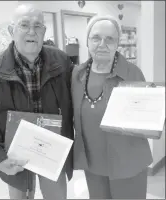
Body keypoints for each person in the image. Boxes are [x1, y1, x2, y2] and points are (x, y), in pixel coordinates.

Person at [0, 4, 74, 199]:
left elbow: (79, 96)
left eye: (38, 26)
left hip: (52, 153)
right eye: (24, 25)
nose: (32, 31)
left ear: (44, 31)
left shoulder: (62, 62)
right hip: (14, 156)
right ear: (11, 30)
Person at [71, 15, 153, 199]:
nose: (102, 44)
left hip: (128, 163)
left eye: (110, 39)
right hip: (93, 163)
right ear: (87, 41)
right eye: (96, 38)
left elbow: (146, 116)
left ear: (117, 43)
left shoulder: (132, 73)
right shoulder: (77, 75)